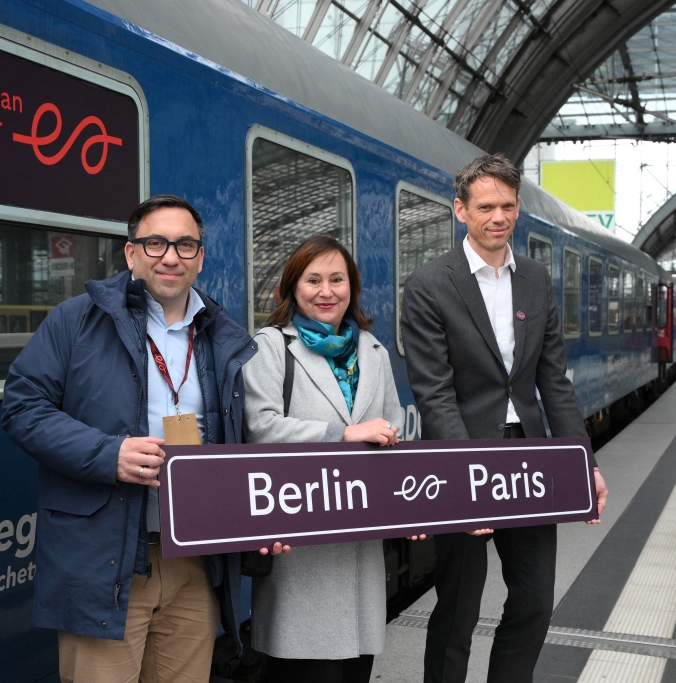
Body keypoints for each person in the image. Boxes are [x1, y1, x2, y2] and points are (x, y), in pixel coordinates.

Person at [0, 194, 256, 683]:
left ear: (200, 257)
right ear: (131, 253)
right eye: (155, 242)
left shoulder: (221, 335)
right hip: (108, 559)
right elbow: (21, 408)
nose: (170, 256)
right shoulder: (75, 321)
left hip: (195, 562)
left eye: (185, 245)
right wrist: (107, 454)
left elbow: (243, 438)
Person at [400, 154, 609, 683]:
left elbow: (554, 382)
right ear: (460, 210)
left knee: (536, 600)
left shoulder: (537, 279)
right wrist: (466, 477)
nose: (499, 216)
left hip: (531, 461)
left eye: (508, 205)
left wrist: (583, 463)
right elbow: (434, 392)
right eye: (486, 205)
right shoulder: (429, 284)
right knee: (458, 610)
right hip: (464, 457)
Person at [241, 234, 404, 683]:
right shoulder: (271, 346)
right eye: (313, 280)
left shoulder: (373, 351)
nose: (326, 291)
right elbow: (260, 428)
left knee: (354, 673)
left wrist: (413, 506)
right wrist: (344, 435)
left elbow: (393, 434)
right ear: (292, 288)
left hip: (360, 553)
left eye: (337, 279)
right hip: (299, 553)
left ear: (352, 287)